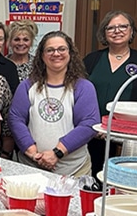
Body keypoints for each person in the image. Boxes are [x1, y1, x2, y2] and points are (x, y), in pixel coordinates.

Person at [9, 31, 100, 176]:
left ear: (70, 53)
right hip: (31, 167)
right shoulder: (27, 86)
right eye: (50, 50)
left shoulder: (83, 87)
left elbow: (89, 123)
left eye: (61, 49)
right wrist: (33, 153)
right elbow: (16, 119)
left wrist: (57, 152)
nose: (56, 54)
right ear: (42, 55)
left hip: (74, 170)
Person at [83, 10, 137, 175]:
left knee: (120, 180)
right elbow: (78, 95)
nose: (117, 31)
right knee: (91, 180)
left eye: (123, 26)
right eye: (111, 28)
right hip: (92, 134)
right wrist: (94, 125)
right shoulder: (91, 60)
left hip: (126, 138)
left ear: (131, 31)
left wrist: (117, 126)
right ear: (104, 33)